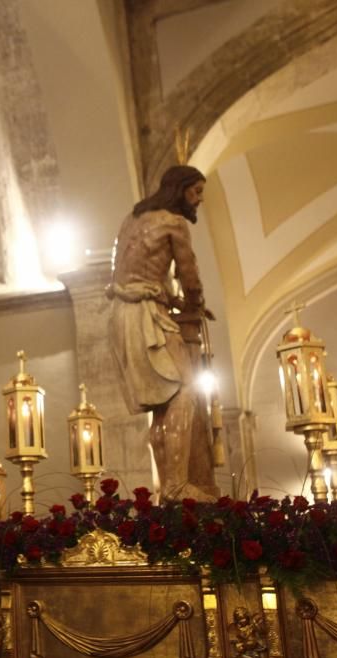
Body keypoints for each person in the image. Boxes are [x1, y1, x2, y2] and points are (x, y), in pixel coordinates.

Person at [107, 164, 219, 502]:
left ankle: (170, 482)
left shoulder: (132, 219)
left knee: (163, 404)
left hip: (120, 315)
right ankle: (176, 484)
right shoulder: (174, 222)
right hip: (145, 316)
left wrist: (170, 299)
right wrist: (195, 304)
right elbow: (190, 274)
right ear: (181, 188)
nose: (199, 199)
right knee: (185, 391)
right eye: (196, 191)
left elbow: (136, 272)